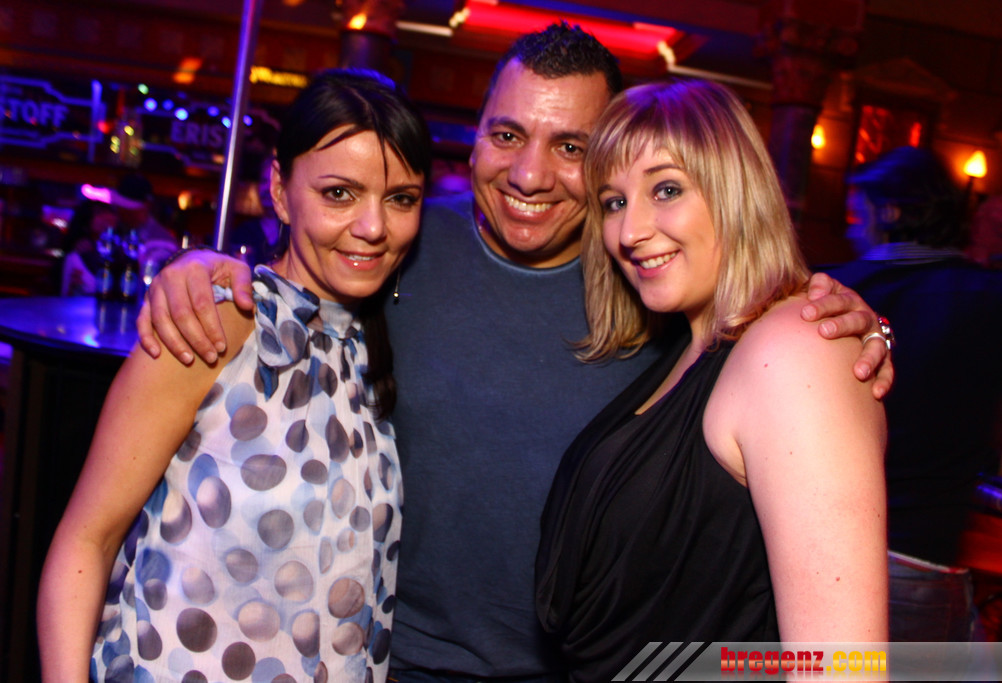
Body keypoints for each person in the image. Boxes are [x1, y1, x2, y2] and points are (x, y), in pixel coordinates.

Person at [136, 24, 894, 681]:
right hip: (377, 659)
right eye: (506, 136)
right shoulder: (398, 243)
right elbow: (296, 281)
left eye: (570, 147)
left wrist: (839, 332)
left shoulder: (645, 287)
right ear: (475, 137)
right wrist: (201, 269)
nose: (529, 174)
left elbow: (833, 643)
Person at [36, 68, 432, 682]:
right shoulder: (214, 326)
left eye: (401, 198)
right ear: (280, 191)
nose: (374, 226)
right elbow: (86, 542)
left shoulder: (369, 348)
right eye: (339, 193)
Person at [535, 78, 888, 682]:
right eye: (614, 202)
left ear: (736, 191)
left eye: (666, 189)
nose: (629, 232)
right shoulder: (690, 347)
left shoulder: (792, 352)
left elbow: (842, 669)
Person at [827, 146, 1002, 642]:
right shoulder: (1000, 296)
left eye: (858, 214)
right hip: (931, 566)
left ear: (890, 212)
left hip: (833, 553)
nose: (852, 229)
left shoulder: (835, 291)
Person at [59, 199, 117, 296]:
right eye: (99, 213)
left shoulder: (120, 253)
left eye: (108, 212)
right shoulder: (76, 255)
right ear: (86, 221)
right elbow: (67, 293)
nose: (106, 217)